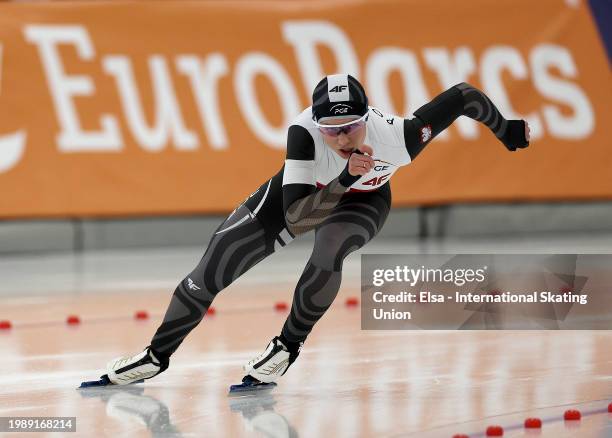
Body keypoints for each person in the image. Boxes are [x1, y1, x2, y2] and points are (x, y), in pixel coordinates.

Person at [101, 74, 530, 387]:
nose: (342, 137)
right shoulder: (303, 134)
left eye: (351, 127)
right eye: (332, 130)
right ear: (316, 123)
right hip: (305, 196)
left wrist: (505, 128)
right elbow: (296, 219)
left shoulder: (400, 136)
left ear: (368, 118)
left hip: (365, 201)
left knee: (330, 245)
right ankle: (156, 356)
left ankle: (287, 346)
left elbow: (464, 96)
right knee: (214, 264)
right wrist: (343, 176)